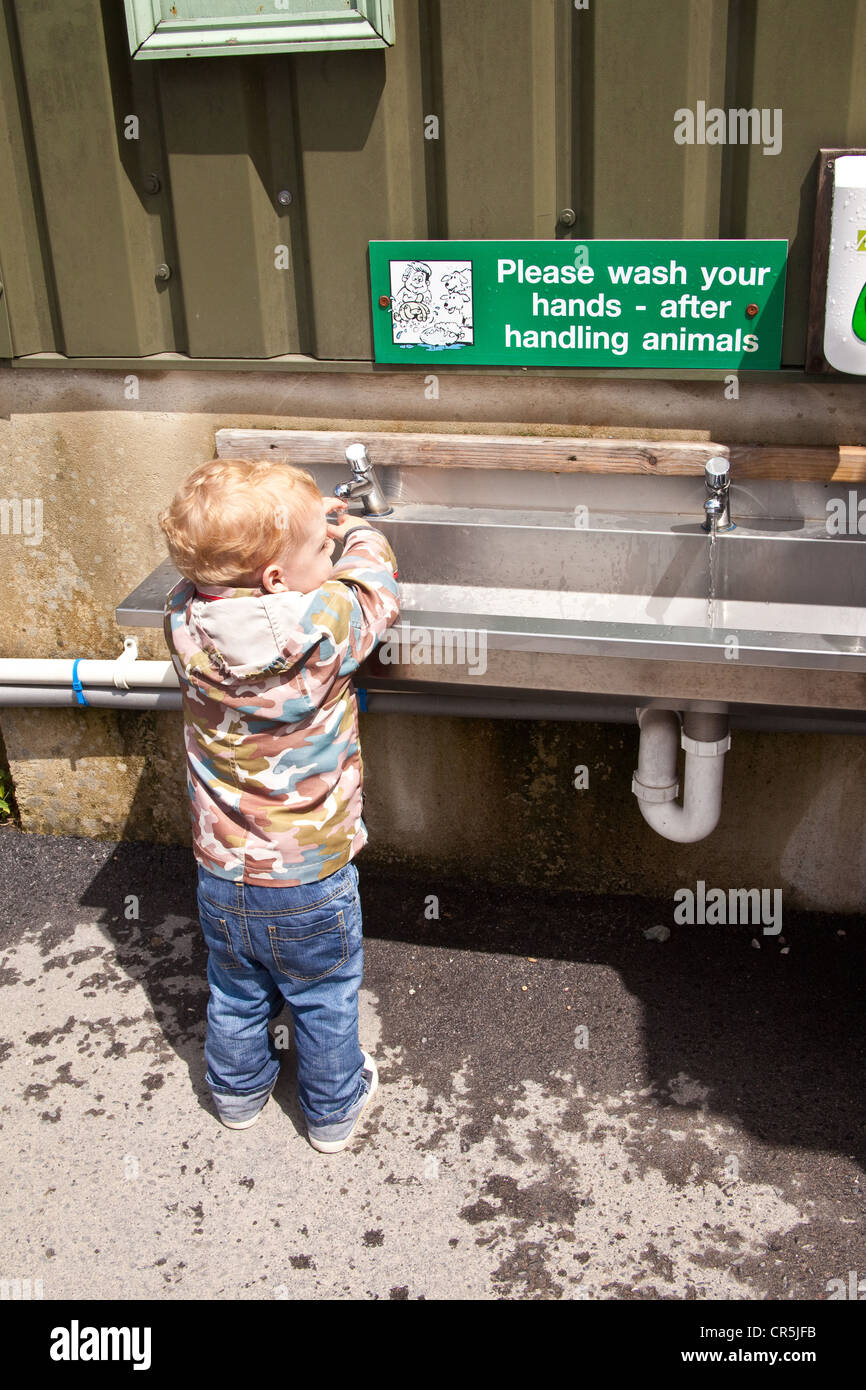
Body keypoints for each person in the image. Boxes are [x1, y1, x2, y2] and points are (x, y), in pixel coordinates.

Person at [158, 456, 400, 1152]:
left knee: (235, 987)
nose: (327, 555)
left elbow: (205, 573)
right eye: (315, 551)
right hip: (309, 878)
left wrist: (284, 530)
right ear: (275, 579)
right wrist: (351, 531)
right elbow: (376, 583)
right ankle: (332, 1110)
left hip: (221, 870)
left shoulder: (184, 620)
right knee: (323, 994)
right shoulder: (325, 625)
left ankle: (235, 1094)